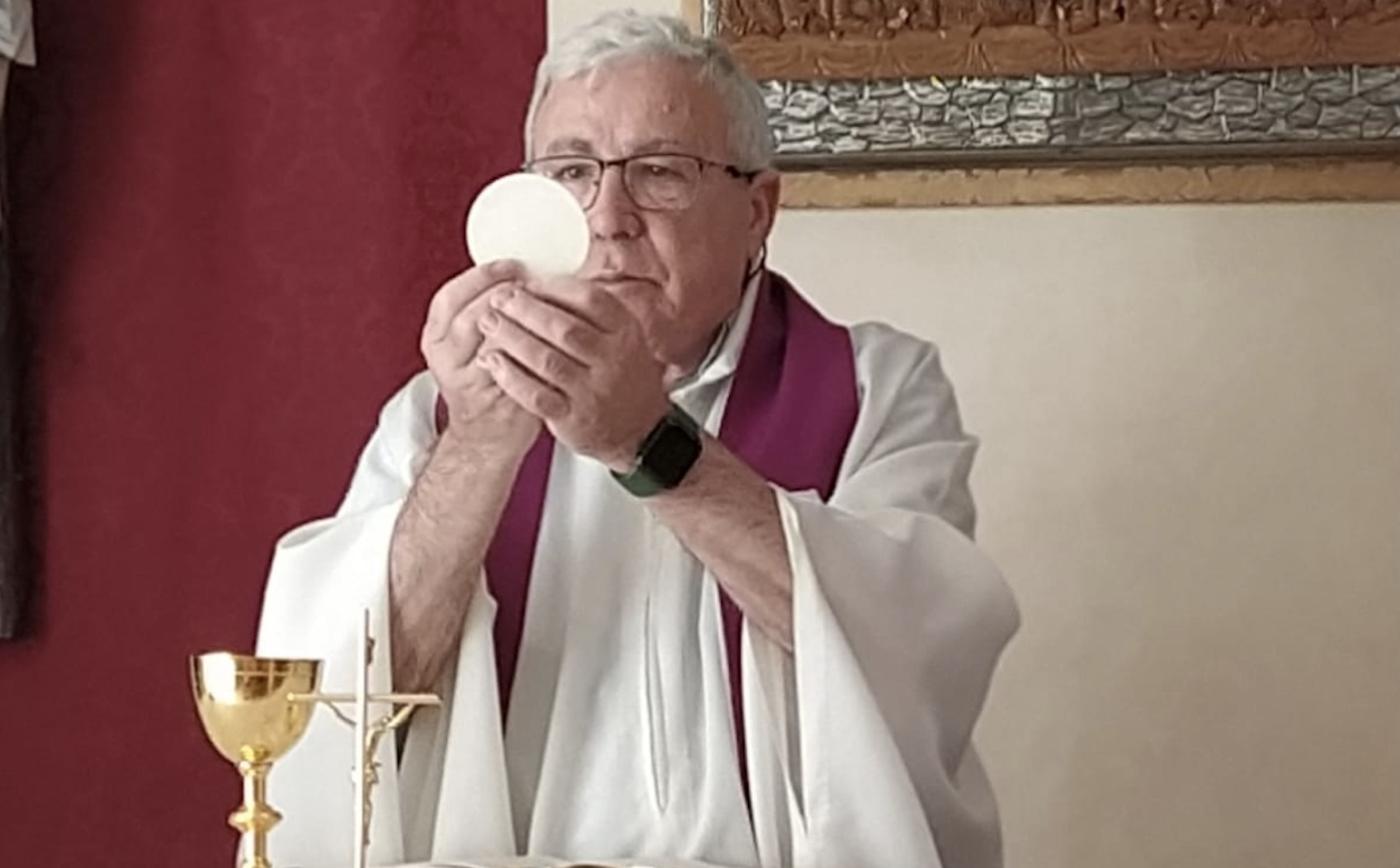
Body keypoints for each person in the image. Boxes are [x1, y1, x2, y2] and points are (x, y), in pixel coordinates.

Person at [256, 10, 1019, 868]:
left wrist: (645, 442)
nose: (607, 218)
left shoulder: (878, 389)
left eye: (659, 173)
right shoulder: (441, 412)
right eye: (572, 172)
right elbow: (340, 711)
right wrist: (480, 445)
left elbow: (911, 656)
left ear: (758, 209)